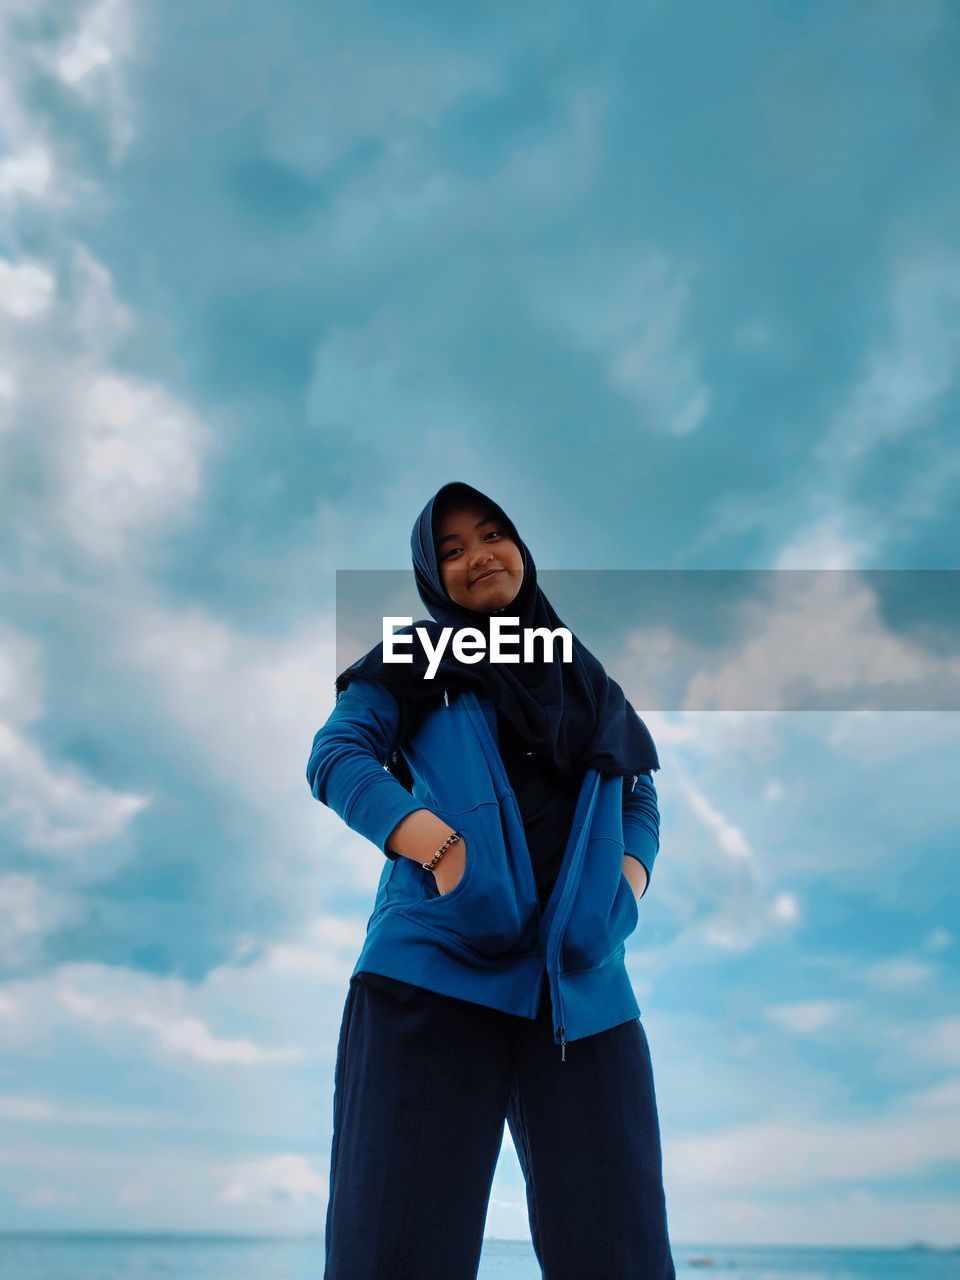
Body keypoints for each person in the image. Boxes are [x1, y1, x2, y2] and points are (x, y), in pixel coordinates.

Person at [307, 481, 677, 1280]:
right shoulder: (413, 656)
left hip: (584, 997)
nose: (478, 557)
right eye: (450, 551)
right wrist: (441, 851)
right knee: (394, 1256)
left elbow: (640, 790)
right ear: (431, 578)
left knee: (624, 1259)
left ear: (520, 547)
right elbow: (336, 756)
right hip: (431, 985)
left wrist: (625, 889)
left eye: (491, 535)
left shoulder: (585, 678)